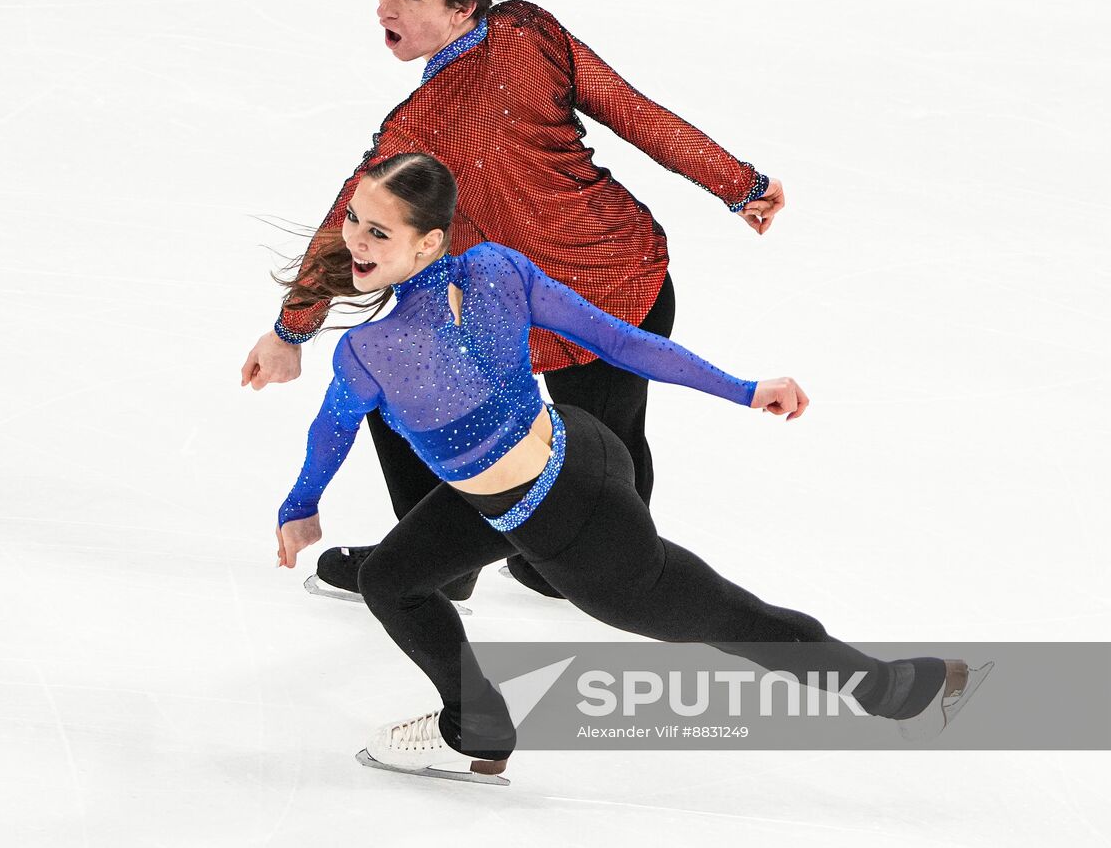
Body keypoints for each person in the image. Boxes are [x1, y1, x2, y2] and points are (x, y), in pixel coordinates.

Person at [273, 152, 991, 781]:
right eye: (355, 219)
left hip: (576, 525)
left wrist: (300, 507)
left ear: (429, 241)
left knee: (729, 618)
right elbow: (621, 343)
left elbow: (332, 430)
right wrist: (744, 389)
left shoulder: (372, 350)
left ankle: (894, 689)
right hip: (574, 446)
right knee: (391, 579)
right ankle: (477, 725)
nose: (356, 239)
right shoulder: (496, 269)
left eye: (379, 231)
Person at [242, 0, 787, 601]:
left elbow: (343, 223)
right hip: (605, 287)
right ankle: (518, 563)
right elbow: (633, 111)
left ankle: (458, 563)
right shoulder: (528, 31)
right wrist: (740, 185)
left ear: (463, 6)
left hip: (601, 292)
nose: (385, 6)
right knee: (603, 454)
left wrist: (291, 331)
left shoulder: (418, 127)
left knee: (420, 394)